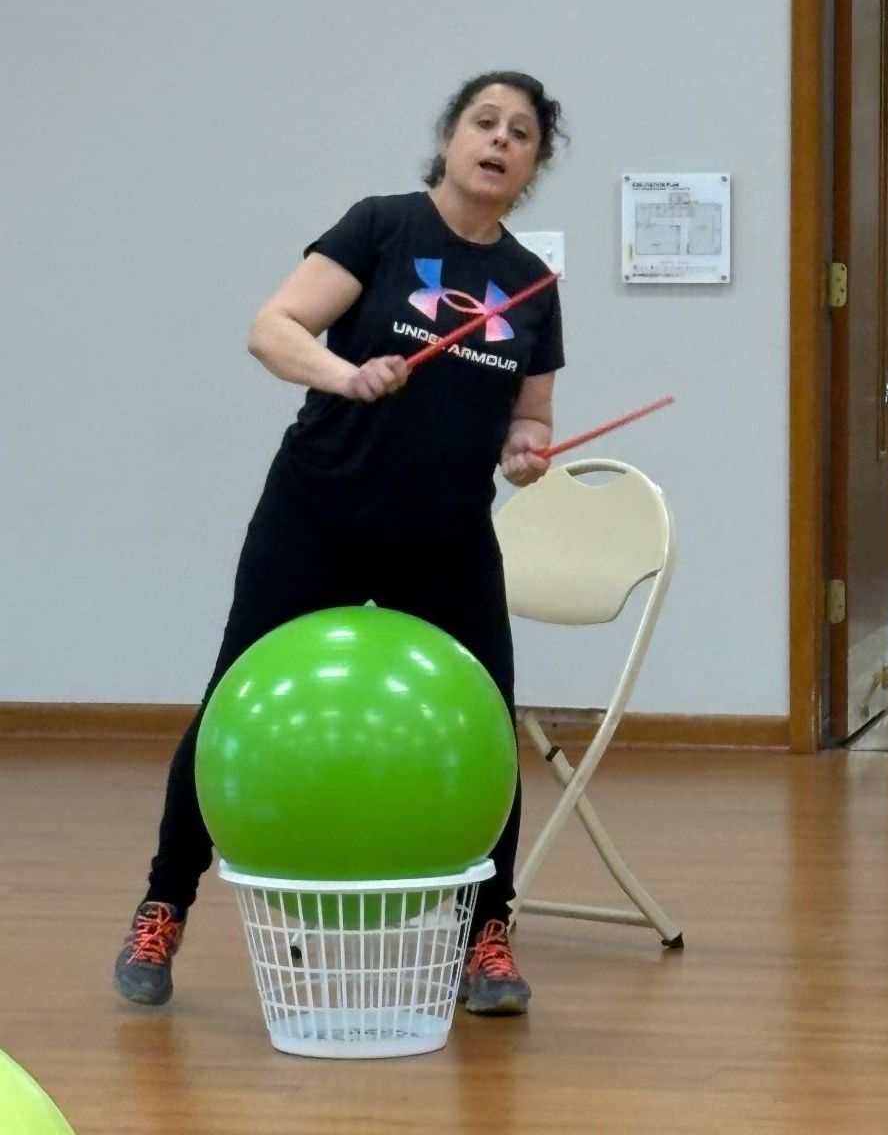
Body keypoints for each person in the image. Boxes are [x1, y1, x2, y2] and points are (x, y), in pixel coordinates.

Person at [113, 70, 566, 1017]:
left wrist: (526, 453)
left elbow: (530, 416)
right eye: (484, 121)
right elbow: (272, 328)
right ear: (450, 136)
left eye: (521, 133)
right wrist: (342, 373)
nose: (499, 140)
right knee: (230, 697)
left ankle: (487, 936)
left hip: (445, 536)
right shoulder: (383, 225)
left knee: (489, 720)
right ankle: (163, 904)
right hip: (318, 511)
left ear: (534, 164)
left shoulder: (530, 285)